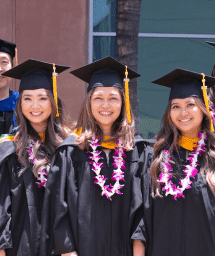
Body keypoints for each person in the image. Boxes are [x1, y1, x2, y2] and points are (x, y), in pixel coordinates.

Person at [134, 68, 215, 256]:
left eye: (190, 104)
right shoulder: (154, 158)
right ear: (168, 112)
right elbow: (140, 217)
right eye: (175, 106)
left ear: (203, 107)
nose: (183, 113)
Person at [49, 57, 151, 256]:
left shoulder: (138, 151)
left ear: (123, 102)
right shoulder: (70, 152)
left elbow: (144, 212)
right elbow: (59, 209)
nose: (106, 105)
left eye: (113, 98)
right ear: (88, 102)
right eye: (98, 98)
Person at [0, 59, 72, 256]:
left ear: (54, 101)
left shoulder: (70, 147)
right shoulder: (8, 148)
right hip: (20, 247)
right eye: (27, 98)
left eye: (42, 98)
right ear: (19, 103)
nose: (35, 106)